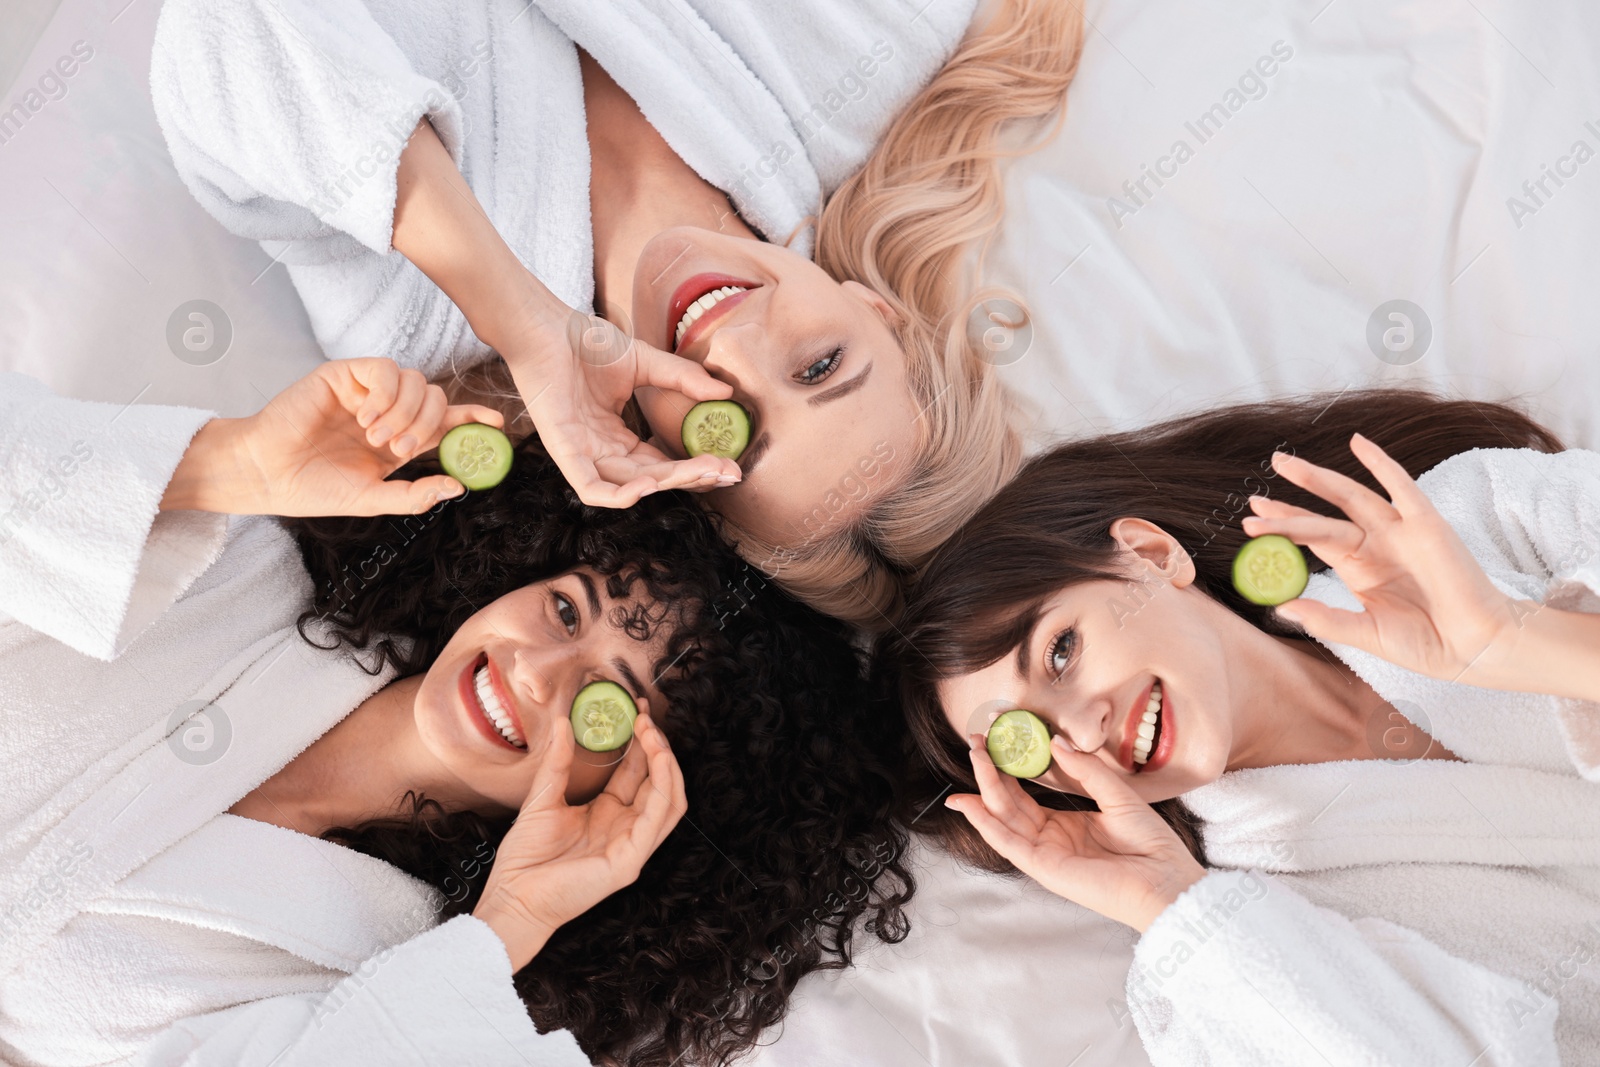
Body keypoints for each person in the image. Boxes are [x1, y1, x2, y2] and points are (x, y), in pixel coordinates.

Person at [0, 360, 910, 1067]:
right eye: (564, 609)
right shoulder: (232, 570)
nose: (539, 673)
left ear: (634, 795)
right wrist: (227, 463)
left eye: (608, 702)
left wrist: (510, 919)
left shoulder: (408, 980)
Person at [148, 0, 1084, 626]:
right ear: (875, 308)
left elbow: (227, 29)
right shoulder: (859, 62)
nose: (735, 351)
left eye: (736, 429)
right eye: (820, 367)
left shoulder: (419, 319)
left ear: (671, 467)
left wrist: (518, 316)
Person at [883, 390, 1600, 1064]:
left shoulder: (1477, 514)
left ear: (1154, 556)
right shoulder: (1248, 946)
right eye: (1031, 743)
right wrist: (1170, 900)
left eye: (1060, 650)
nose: (1083, 729)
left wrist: (1521, 643)